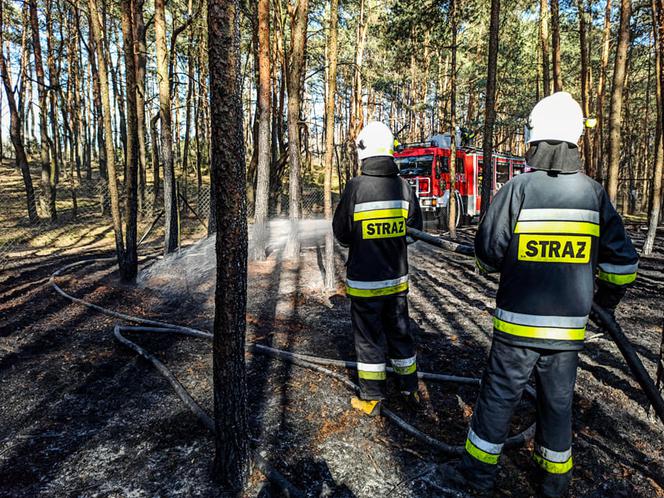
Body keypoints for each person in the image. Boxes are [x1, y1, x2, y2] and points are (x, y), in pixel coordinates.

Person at [444, 92, 639, 497]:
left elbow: (489, 251)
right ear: (572, 142)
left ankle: (476, 477)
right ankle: (553, 482)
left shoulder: (518, 189)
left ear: (536, 140)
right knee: (557, 406)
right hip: (567, 334)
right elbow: (622, 265)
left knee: (497, 401)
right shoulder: (594, 194)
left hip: (516, 328)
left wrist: (492, 264)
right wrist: (604, 304)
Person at [332, 121, 423, 416]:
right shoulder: (404, 187)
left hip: (365, 282)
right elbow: (414, 231)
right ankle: (408, 386)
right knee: (400, 331)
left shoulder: (356, 188)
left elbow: (342, 233)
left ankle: (372, 396)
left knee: (369, 338)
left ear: (363, 153)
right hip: (396, 281)